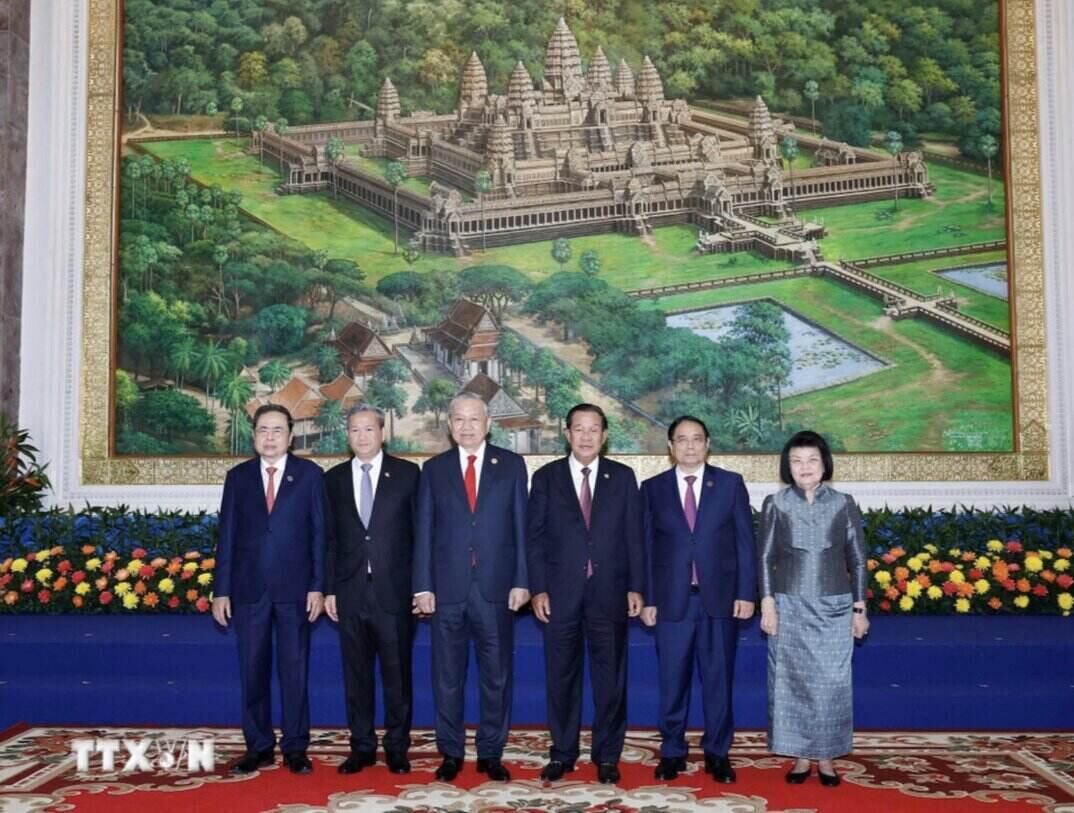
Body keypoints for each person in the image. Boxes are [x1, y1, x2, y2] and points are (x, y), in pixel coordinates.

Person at [412, 392, 530, 782]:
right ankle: (451, 752)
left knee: (496, 675)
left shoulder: (511, 466)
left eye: (474, 419)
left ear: (488, 423)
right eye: (458, 419)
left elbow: (520, 528)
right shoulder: (434, 469)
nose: (466, 426)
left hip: (496, 587)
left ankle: (491, 752)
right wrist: (422, 586)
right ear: (449, 425)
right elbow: (424, 532)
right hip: (447, 589)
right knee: (447, 676)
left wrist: (522, 581)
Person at [527, 403, 645, 785]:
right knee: (561, 677)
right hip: (560, 594)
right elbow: (535, 539)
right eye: (579, 428)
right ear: (567, 433)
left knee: (610, 679)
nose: (587, 436)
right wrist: (538, 588)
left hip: (610, 593)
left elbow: (634, 537)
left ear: (605, 435)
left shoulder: (623, 477)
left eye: (594, 429)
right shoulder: (546, 477)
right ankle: (562, 753)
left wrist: (636, 586)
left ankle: (607, 755)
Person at [640, 415, 756, 783]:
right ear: (670, 447)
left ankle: (717, 753)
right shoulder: (653, 488)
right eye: (681, 439)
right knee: (672, 681)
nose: (689, 446)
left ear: (708, 444)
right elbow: (645, 548)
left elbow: (744, 543)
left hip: (719, 600)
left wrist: (746, 592)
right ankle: (672, 751)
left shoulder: (730, 484)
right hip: (671, 601)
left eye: (697, 439)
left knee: (718, 680)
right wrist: (647, 598)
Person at [213, 404, 327, 775]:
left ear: (291, 436)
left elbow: (320, 536)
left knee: (294, 671)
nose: (270, 437)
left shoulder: (310, 475)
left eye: (278, 430)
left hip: (295, 591)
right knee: (253, 670)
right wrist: (221, 590)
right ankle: (258, 746)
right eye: (263, 430)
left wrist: (318, 587)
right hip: (248, 591)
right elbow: (227, 537)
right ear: (254, 435)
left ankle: (296, 746)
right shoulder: (238, 477)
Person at [758, 430, 868, 788]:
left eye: (812, 460)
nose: (804, 467)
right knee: (793, 685)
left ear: (825, 464)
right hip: (789, 607)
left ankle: (827, 757)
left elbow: (859, 559)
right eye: (796, 461)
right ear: (787, 466)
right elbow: (765, 558)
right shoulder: (776, 503)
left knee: (832, 685)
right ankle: (801, 756)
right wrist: (768, 603)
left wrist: (859, 607)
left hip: (835, 608)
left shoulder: (843, 503)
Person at [323, 405, 420, 776]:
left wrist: (420, 586)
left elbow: (419, 534)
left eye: (369, 429)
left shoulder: (409, 475)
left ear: (383, 433)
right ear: (347, 436)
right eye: (354, 430)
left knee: (398, 675)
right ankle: (361, 746)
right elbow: (329, 540)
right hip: (349, 591)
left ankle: (397, 747)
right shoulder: (331, 480)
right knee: (356, 675)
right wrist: (329, 588)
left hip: (394, 591)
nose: (362, 436)